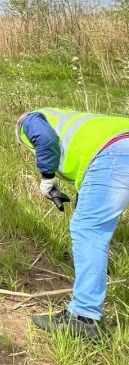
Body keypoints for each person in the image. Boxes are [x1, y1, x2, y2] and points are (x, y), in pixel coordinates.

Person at [17, 108, 129, 339]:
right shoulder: (81, 122)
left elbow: (45, 139)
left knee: (88, 230)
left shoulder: (30, 120)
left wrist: (47, 178)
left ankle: (84, 317)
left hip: (115, 154)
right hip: (117, 148)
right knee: (89, 226)